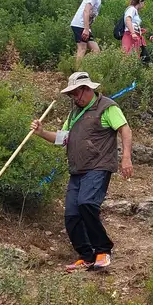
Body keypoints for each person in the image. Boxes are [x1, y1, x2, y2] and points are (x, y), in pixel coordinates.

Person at [32, 72, 134, 272]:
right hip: (77, 170)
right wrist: (42, 133)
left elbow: (125, 129)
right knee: (71, 215)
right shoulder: (74, 114)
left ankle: (103, 250)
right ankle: (86, 255)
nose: (74, 98)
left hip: (99, 166)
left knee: (87, 204)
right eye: (71, 95)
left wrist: (126, 157)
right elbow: (63, 139)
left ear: (88, 89)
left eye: (76, 93)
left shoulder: (107, 107)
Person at [71, 0, 113, 66]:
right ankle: (77, 71)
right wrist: (86, 29)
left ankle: (86, 68)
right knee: (82, 48)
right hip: (80, 25)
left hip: (85, 27)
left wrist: (88, 28)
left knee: (96, 50)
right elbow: (86, 11)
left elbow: (90, 14)